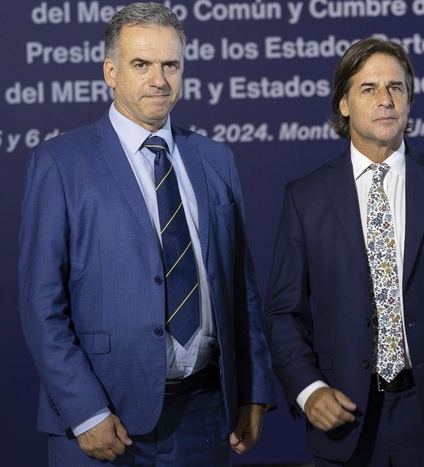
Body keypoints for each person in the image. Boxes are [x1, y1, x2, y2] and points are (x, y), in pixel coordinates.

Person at [18, 3, 275, 465]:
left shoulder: (215, 159)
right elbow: (41, 305)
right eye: (141, 64)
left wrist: (253, 388)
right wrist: (85, 412)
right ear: (111, 72)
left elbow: (242, 291)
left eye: (170, 65)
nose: (159, 79)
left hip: (205, 415)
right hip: (104, 422)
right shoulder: (60, 163)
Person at [262, 38, 424, 466]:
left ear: (409, 101)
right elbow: (283, 313)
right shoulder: (305, 198)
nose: (385, 100)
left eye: (396, 88)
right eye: (369, 89)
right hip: (344, 418)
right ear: (343, 103)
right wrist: (308, 390)